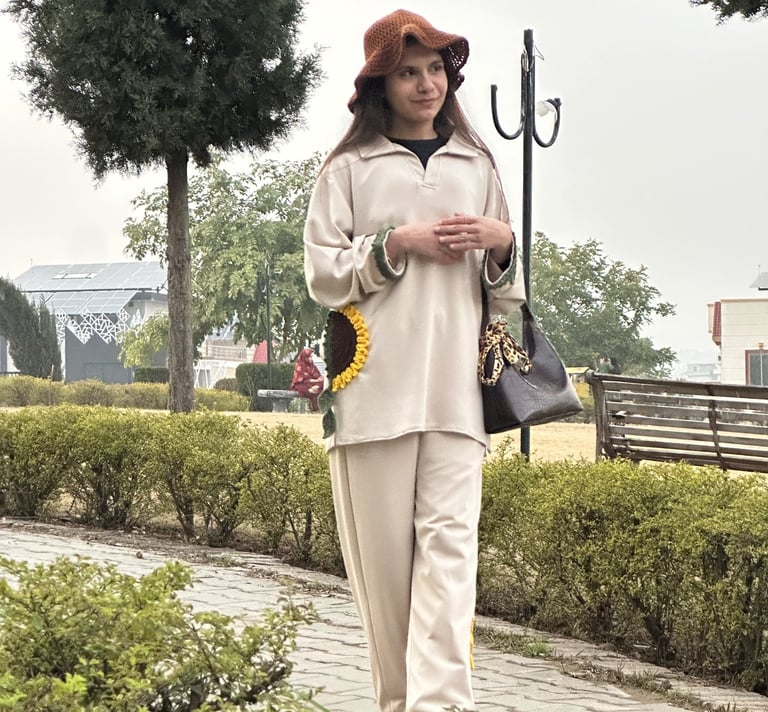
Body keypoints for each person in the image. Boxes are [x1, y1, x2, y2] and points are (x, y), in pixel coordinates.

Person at [303, 9, 525, 712]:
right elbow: (323, 275)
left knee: (451, 565)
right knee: (386, 583)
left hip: (459, 398)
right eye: (408, 72)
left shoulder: (477, 164)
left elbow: (507, 295)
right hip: (372, 398)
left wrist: (501, 243)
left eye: (435, 70)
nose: (427, 84)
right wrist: (395, 244)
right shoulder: (346, 170)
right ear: (380, 84)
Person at [290, 346, 324, 412]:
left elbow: (318, 376)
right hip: (302, 384)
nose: (311, 359)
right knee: (302, 386)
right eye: (309, 357)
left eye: (311, 357)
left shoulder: (312, 366)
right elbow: (303, 379)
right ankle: (310, 391)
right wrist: (316, 381)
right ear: (305, 357)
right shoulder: (300, 365)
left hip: (312, 384)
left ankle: (313, 390)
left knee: (323, 383)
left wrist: (318, 381)